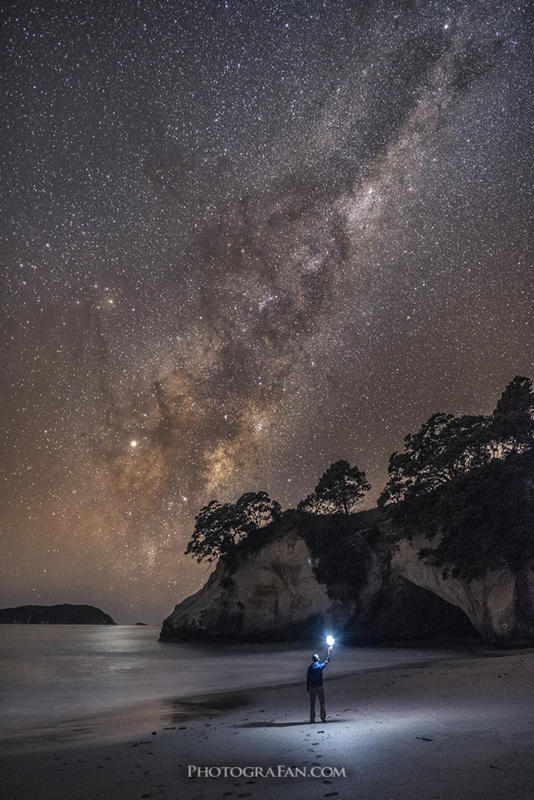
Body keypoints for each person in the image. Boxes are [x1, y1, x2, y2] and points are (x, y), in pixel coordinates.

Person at [306, 645, 332, 723]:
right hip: (320, 687)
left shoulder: (310, 668)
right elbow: (327, 660)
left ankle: (312, 719)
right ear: (318, 659)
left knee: (312, 704)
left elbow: (308, 678)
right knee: (322, 703)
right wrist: (329, 651)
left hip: (312, 687)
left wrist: (308, 687)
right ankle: (323, 718)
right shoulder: (320, 667)